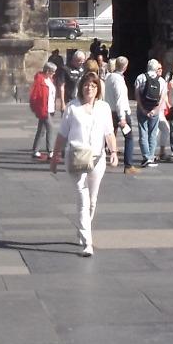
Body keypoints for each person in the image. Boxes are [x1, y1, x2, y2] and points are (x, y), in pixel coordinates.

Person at [50, 70, 118, 256]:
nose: (90, 89)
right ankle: (88, 242)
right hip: (76, 157)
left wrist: (113, 152)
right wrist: (55, 157)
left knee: (92, 200)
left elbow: (109, 132)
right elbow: (62, 134)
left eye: (94, 86)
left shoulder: (103, 108)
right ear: (81, 87)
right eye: (87, 85)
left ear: (98, 89)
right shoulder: (72, 107)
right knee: (83, 199)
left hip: (97, 158)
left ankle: (83, 228)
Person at [132, 58, 168, 169]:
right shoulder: (161, 81)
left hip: (142, 108)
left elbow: (137, 94)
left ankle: (146, 157)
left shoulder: (140, 78)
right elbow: (162, 98)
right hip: (154, 109)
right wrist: (156, 110)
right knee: (152, 133)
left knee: (143, 132)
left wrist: (142, 108)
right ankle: (151, 157)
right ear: (156, 68)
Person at [103, 56, 135, 173]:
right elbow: (120, 99)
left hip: (110, 111)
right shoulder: (119, 80)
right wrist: (122, 117)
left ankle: (99, 160)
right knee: (129, 137)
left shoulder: (109, 77)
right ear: (125, 67)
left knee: (107, 136)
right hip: (120, 112)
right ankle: (128, 165)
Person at [29, 61, 59, 160]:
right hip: (44, 109)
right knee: (51, 128)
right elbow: (35, 96)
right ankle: (50, 151)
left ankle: (35, 150)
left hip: (49, 108)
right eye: (53, 72)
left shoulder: (49, 79)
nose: (54, 74)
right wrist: (37, 108)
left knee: (41, 130)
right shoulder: (40, 80)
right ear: (47, 71)